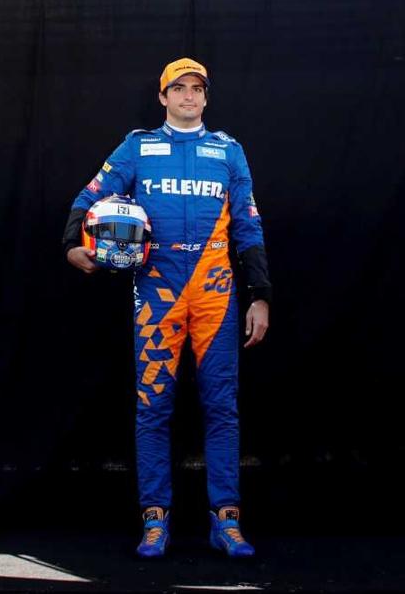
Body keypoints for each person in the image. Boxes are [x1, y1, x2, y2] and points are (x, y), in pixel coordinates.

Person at [63, 58, 272, 560]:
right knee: (152, 406)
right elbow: (88, 197)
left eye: (197, 88)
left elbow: (248, 224)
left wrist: (260, 295)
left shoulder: (228, 151)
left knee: (221, 407)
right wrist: (74, 245)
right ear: (162, 97)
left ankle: (227, 520)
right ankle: (154, 519)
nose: (188, 96)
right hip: (155, 290)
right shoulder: (137, 146)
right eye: (178, 88)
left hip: (216, 292)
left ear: (205, 97)